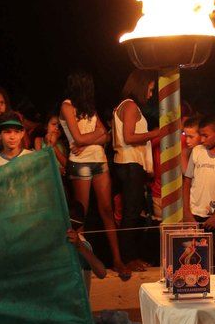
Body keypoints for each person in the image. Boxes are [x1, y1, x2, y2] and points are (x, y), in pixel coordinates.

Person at [61, 71, 129, 280]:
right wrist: (93, 136)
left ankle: (117, 260)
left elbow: (106, 136)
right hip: (80, 163)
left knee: (107, 209)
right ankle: (81, 262)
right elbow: (79, 138)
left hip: (99, 160)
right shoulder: (67, 106)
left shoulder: (89, 108)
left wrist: (88, 140)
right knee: (80, 214)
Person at [112, 70, 162, 270]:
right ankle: (128, 258)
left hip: (129, 164)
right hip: (130, 164)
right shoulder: (130, 106)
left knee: (133, 212)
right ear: (141, 86)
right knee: (131, 213)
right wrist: (157, 132)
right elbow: (129, 137)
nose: (150, 95)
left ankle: (131, 256)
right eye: (149, 90)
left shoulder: (125, 105)